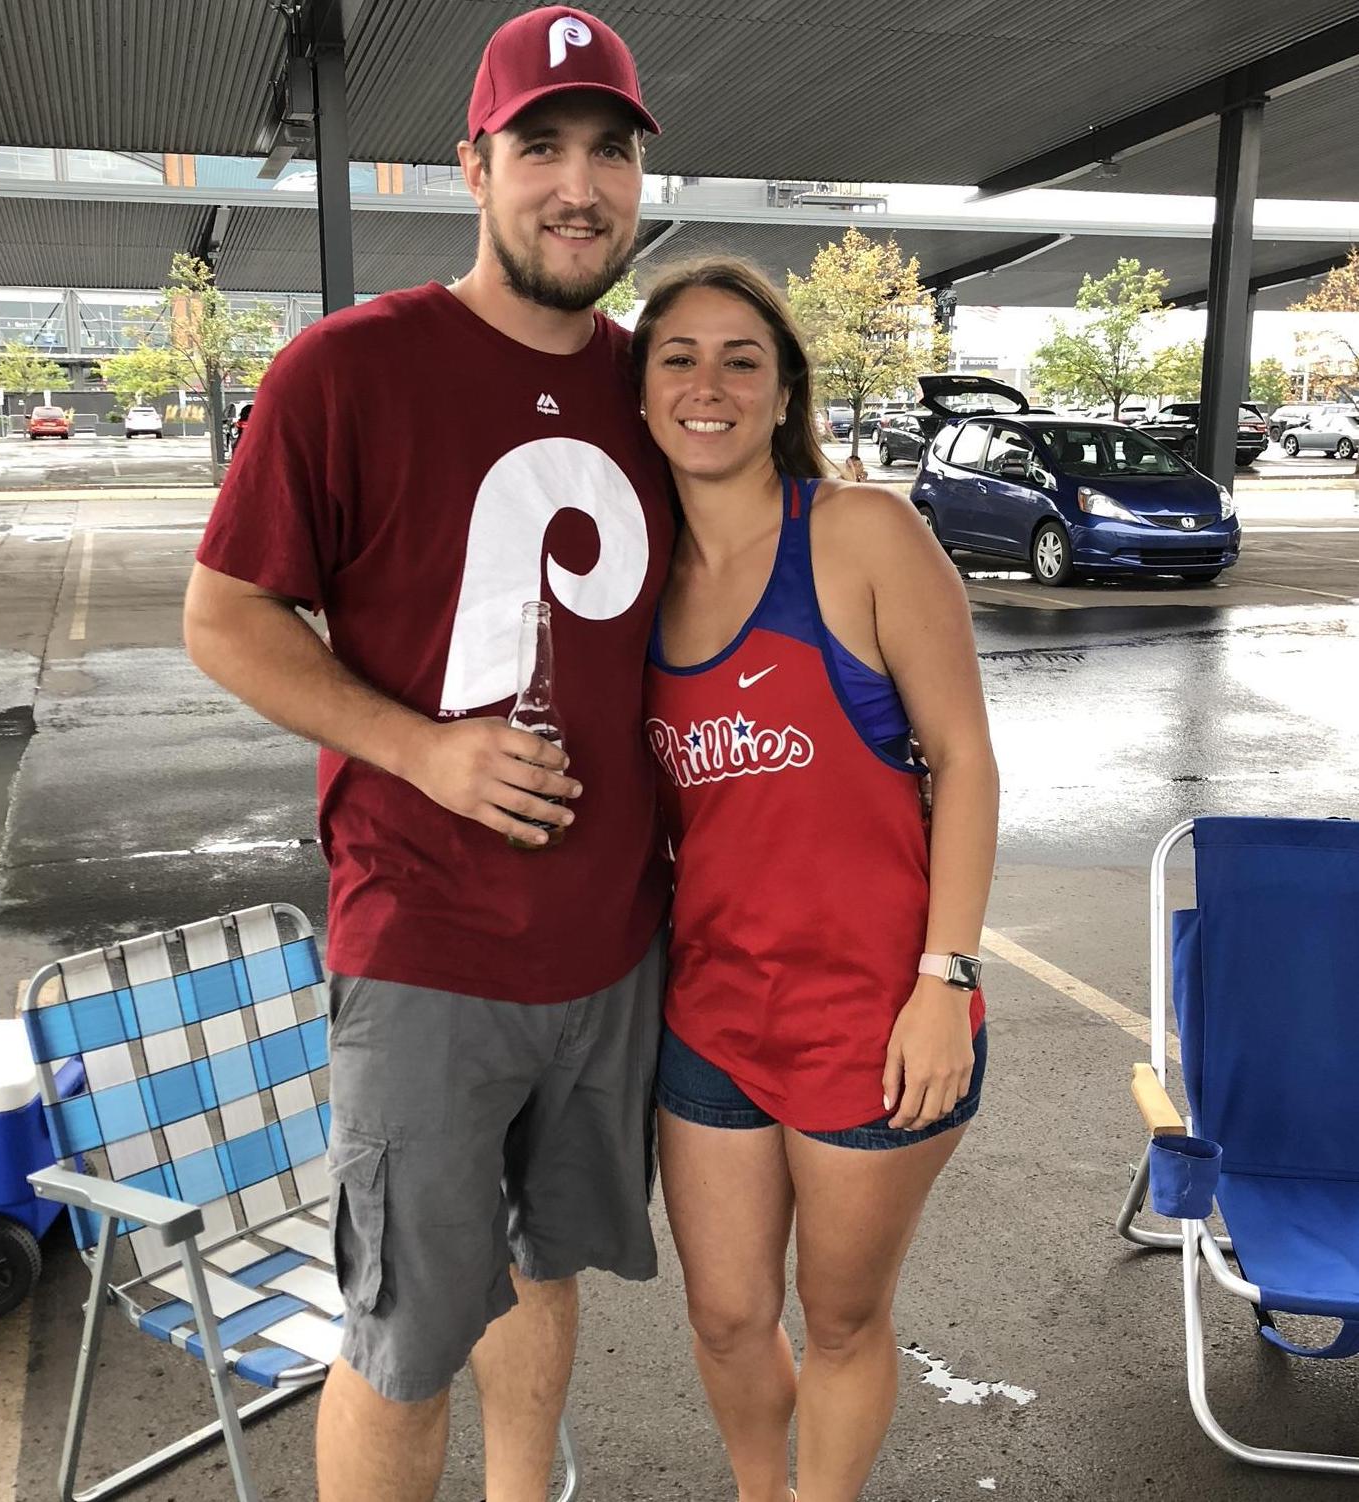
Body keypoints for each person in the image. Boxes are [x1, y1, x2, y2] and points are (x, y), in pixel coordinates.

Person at [182, 10, 672, 1500]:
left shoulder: (661, 392)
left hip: (612, 951)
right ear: (471, 166)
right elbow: (223, 616)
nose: (575, 184)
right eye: (539, 146)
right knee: (402, 1330)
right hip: (426, 953)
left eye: (607, 151)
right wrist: (421, 752)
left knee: (545, 1270)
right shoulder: (349, 369)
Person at [632, 257, 998, 1502]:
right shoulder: (639, 593)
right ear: (637, 396)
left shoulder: (858, 533)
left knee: (840, 1320)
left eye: (742, 357)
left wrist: (944, 979)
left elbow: (963, 761)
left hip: (874, 1013)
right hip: (714, 1013)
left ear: (781, 386)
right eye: (676, 356)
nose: (708, 383)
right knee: (727, 1312)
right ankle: (759, 1488)